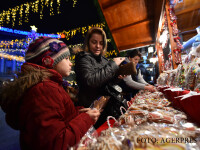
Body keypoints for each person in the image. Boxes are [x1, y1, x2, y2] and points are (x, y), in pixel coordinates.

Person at [0, 37, 100, 150]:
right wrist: (86, 119)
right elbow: (55, 142)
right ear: (49, 61)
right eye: (66, 58)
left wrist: (79, 113)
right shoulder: (45, 90)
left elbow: (58, 117)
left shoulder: (49, 86)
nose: (70, 63)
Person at [74, 27, 125, 128]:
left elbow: (106, 82)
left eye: (101, 43)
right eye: (94, 42)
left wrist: (118, 78)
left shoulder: (104, 60)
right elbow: (91, 81)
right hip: (90, 110)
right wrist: (113, 64)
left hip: (106, 109)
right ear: (88, 42)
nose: (98, 46)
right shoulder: (83, 59)